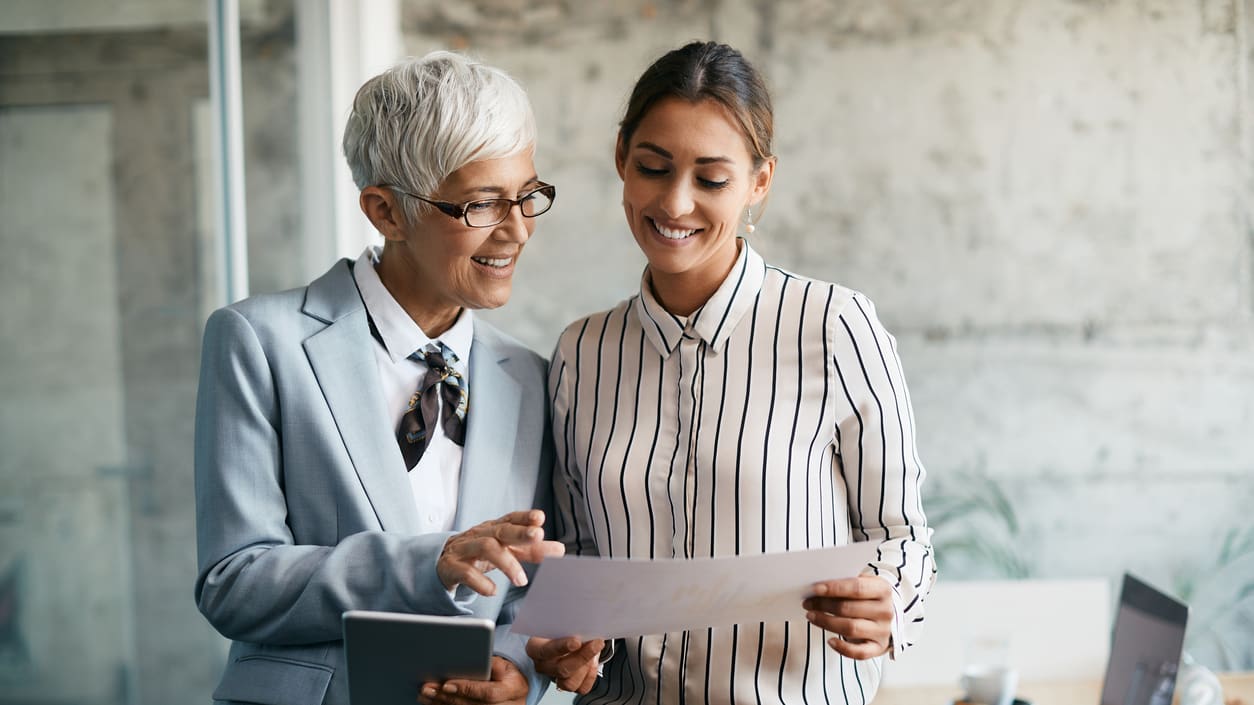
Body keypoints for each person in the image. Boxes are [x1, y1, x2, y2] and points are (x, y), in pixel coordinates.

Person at [528, 41, 936, 703]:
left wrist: (887, 603)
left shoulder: (835, 326)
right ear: (620, 159)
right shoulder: (581, 352)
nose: (676, 203)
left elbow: (900, 537)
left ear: (760, 182)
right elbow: (579, 560)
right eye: (652, 167)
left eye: (711, 179)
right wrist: (569, 649)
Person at [194, 51, 564, 705]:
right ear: (386, 212)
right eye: (481, 205)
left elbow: (523, 603)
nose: (518, 230)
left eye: (527, 195)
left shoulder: (530, 377)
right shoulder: (258, 341)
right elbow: (234, 581)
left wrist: (517, 675)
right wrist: (430, 560)